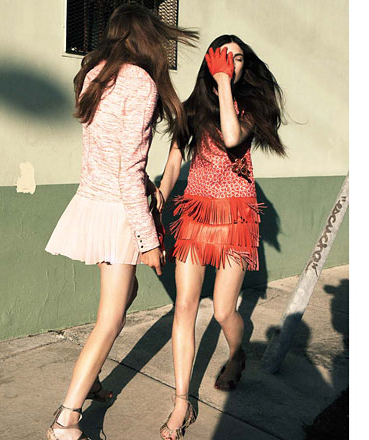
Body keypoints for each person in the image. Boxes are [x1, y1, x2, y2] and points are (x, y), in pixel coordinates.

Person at [44, 4, 198, 439]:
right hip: (117, 212)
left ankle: (90, 379)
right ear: (145, 37)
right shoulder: (139, 83)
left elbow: (110, 155)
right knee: (110, 319)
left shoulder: (94, 75)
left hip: (94, 202)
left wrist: (146, 186)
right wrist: (149, 240)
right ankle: (66, 421)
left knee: (126, 292)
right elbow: (127, 169)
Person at [156, 35, 286, 439]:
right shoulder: (192, 110)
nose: (232, 63)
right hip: (195, 213)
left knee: (223, 311)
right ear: (210, 62)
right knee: (184, 306)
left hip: (235, 218)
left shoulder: (249, 107)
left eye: (239, 58)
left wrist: (225, 81)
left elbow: (231, 137)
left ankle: (236, 353)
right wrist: (160, 196)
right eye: (224, 57)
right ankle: (181, 402)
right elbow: (175, 161)